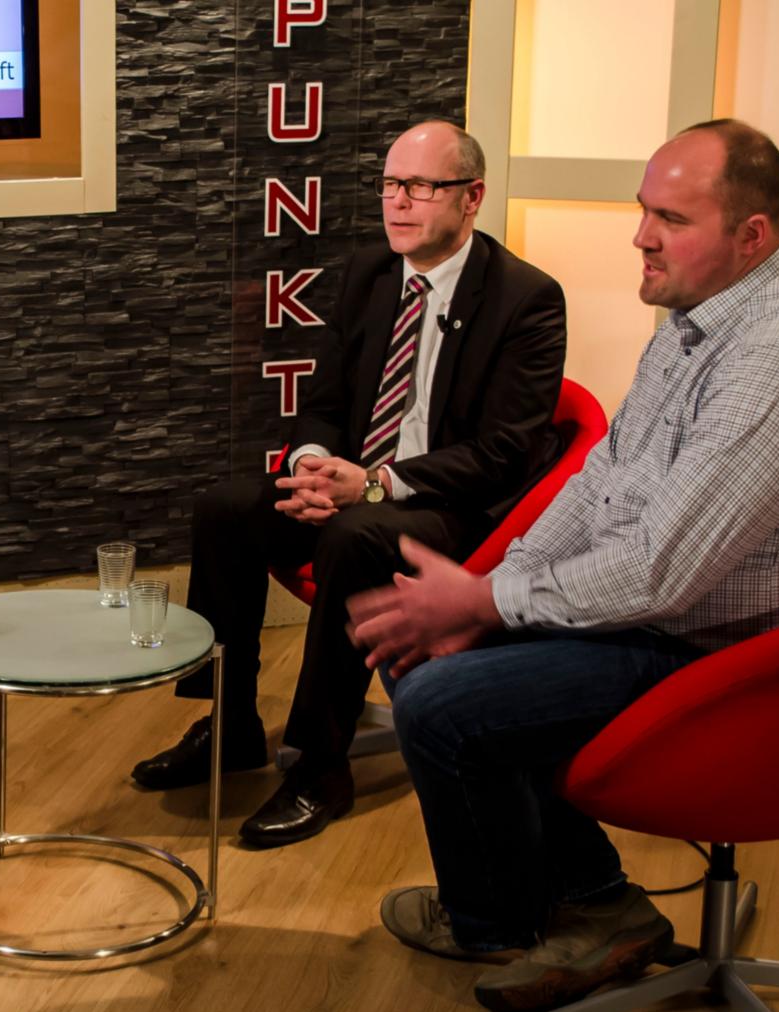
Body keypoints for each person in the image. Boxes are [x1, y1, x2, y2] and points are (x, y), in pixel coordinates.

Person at [349, 119, 779, 1012]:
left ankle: (500, 916)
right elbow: (608, 477)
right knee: (447, 662)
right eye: (644, 210)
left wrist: (489, 599)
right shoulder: (702, 321)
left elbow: (661, 575)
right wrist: (502, 589)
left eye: (671, 219)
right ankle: (597, 905)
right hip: (687, 613)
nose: (640, 236)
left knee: (445, 701)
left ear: (751, 236)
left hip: (748, 664)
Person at [130, 122, 568, 849]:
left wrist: (370, 485)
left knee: (351, 534)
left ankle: (320, 764)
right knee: (227, 507)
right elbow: (327, 403)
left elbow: (505, 453)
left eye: (421, 187)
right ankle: (231, 723)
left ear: (472, 199)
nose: (399, 203)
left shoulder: (525, 299)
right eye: (391, 185)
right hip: (352, 485)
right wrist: (310, 466)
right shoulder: (368, 272)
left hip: (449, 509)